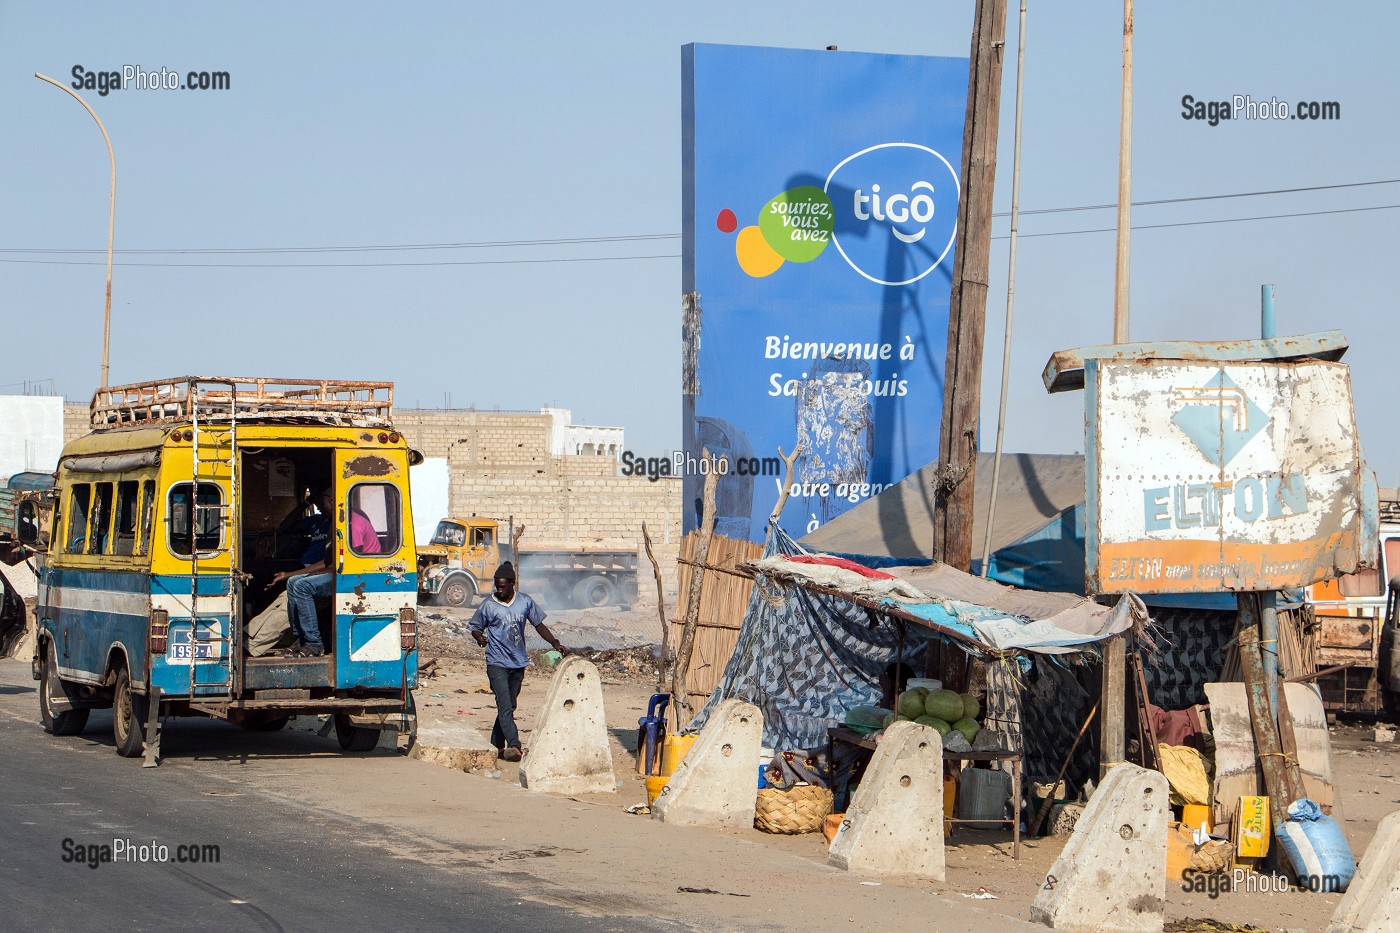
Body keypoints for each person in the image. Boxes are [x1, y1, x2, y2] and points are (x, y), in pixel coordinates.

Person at [469, 561, 565, 761]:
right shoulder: (488, 605)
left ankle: (496, 746)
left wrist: (555, 643)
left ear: (513, 583)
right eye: (497, 586)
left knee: (509, 706)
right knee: (504, 705)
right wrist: (479, 637)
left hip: (518, 662)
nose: (499, 589)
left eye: (503, 586)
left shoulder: (525, 602)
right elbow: (475, 626)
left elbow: (539, 625)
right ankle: (514, 745)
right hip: (496, 662)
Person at [266, 488, 335, 658]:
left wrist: (310, 572)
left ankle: (314, 644)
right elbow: (285, 527)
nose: (320, 505)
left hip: (325, 572)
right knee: (292, 583)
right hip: (314, 568)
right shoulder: (317, 521)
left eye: (323, 500)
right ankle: (301, 639)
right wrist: (306, 503)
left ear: (332, 501)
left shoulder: (338, 524)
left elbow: (333, 564)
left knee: (301, 586)